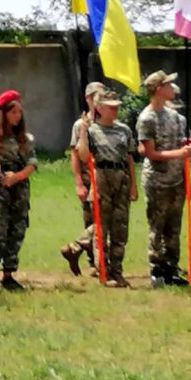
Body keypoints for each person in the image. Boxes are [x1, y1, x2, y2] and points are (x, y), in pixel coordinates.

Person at [61, 91, 137, 287]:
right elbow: (84, 156)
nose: (115, 110)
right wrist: (84, 133)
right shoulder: (91, 130)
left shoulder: (124, 130)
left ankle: (117, 271)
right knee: (101, 229)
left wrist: (133, 185)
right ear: (100, 108)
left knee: (120, 228)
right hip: (101, 176)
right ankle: (103, 271)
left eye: (117, 106)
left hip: (121, 177)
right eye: (111, 106)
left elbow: (129, 158)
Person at [136, 70, 191, 288]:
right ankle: (157, 269)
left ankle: (172, 268)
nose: (173, 88)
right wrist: (179, 154)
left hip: (176, 180)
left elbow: (182, 147)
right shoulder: (147, 118)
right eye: (169, 85)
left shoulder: (176, 117)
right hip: (157, 182)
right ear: (158, 89)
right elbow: (151, 153)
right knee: (157, 227)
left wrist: (187, 177)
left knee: (174, 227)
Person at [0, 90, 37, 291]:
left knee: (17, 228)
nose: (17, 116)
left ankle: (9, 274)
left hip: (18, 188)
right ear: (3, 114)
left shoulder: (25, 138)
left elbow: (32, 163)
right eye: (13, 112)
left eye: (19, 112)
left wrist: (16, 177)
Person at [69, 82, 105, 271]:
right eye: (95, 97)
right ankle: (92, 260)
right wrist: (78, 183)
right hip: (88, 178)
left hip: (107, 178)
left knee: (104, 221)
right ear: (88, 99)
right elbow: (75, 155)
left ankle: (77, 248)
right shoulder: (80, 124)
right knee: (92, 221)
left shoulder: (108, 120)